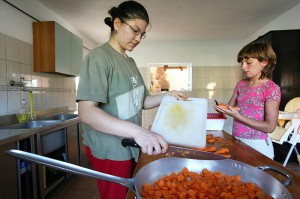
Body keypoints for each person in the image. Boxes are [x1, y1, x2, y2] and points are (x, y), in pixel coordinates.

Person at [76, 1, 187, 199]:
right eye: (135, 31)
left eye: (142, 35)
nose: (138, 39)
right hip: (110, 148)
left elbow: (141, 101)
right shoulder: (98, 57)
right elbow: (86, 112)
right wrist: (139, 132)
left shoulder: (130, 61)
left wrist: (166, 96)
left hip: (129, 145)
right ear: (117, 23)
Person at [215, 42, 281, 159]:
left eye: (248, 63)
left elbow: (270, 127)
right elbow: (230, 107)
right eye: (242, 63)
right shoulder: (241, 84)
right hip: (237, 140)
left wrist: (238, 116)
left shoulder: (271, 88)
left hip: (257, 145)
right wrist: (222, 108)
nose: (243, 67)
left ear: (264, 62)